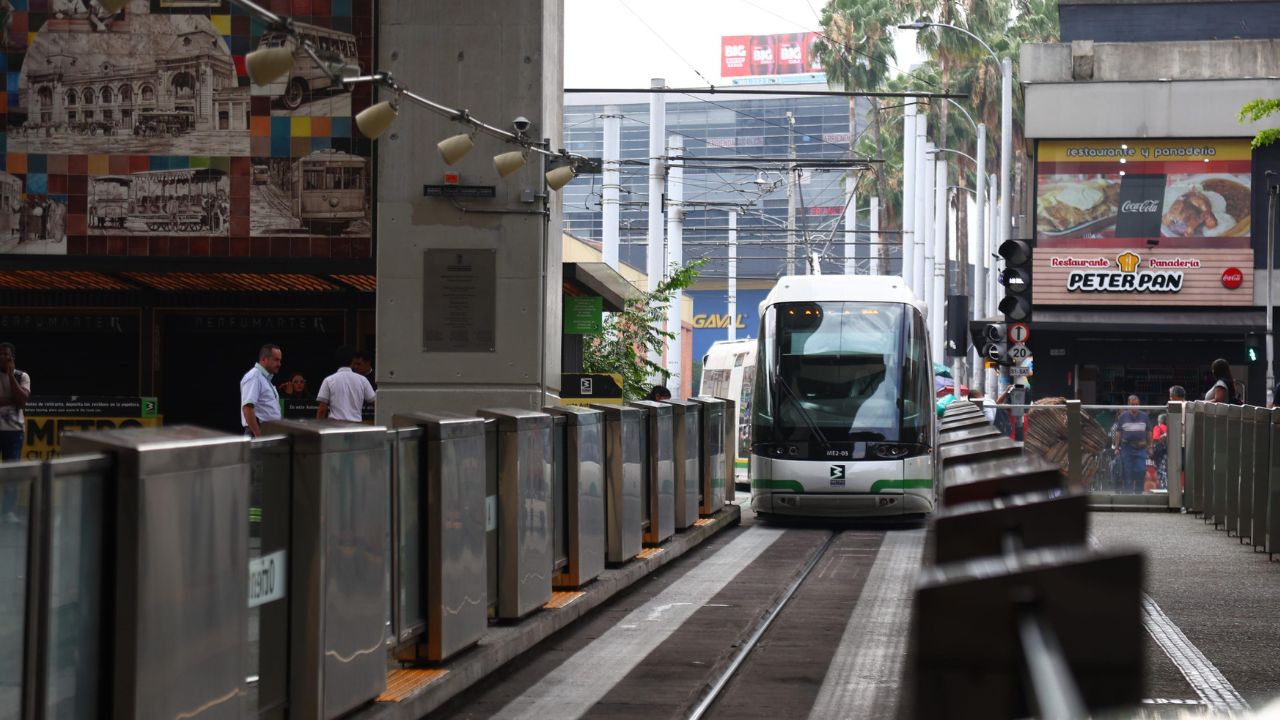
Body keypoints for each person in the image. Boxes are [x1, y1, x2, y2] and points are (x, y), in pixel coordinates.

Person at [0, 342, 30, 523]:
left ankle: (7, 512)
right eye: (0, 354)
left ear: (12, 358)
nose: (3, 357)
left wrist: (10, 375)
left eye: (6, 354)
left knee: (12, 472)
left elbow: (22, 400)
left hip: (14, 431)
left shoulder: (21, 376)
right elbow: (18, 401)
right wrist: (12, 400)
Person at [316, 346, 376, 422]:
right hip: (355, 425)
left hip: (335, 425)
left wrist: (319, 426)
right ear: (353, 361)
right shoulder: (362, 380)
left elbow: (322, 409)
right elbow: (375, 403)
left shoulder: (328, 380)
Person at [240, 344, 282, 438]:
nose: (279, 364)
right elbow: (247, 408)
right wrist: (259, 436)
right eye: (276, 360)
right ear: (263, 359)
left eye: (280, 360)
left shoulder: (264, 378)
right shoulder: (254, 377)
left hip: (267, 432)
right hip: (259, 433)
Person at [1112, 395, 1151, 494]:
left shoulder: (1144, 416)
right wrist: (1116, 447)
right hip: (1126, 447)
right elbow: (1118, 433)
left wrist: (1150, 447)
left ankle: (1138, 492)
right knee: (1127, 471)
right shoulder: (1122, 416)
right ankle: (1128, 494)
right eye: (1133, 404)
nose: (1135, 406)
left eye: (1137, 404)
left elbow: (1149, 432)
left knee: (1141, 470)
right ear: (1129, 404)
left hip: (1141, 447)